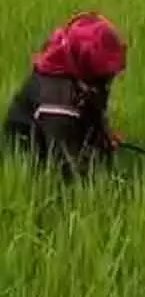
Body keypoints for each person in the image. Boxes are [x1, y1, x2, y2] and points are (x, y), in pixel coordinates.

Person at [3, 12, 127, 181]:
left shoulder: (84, 74)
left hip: (65, 129)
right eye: (106, 75)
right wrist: (110, 182)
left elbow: (96, 106)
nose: (110, 78)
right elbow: (69, 164)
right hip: (33, 149)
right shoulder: (56, 98)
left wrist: (103, 135)